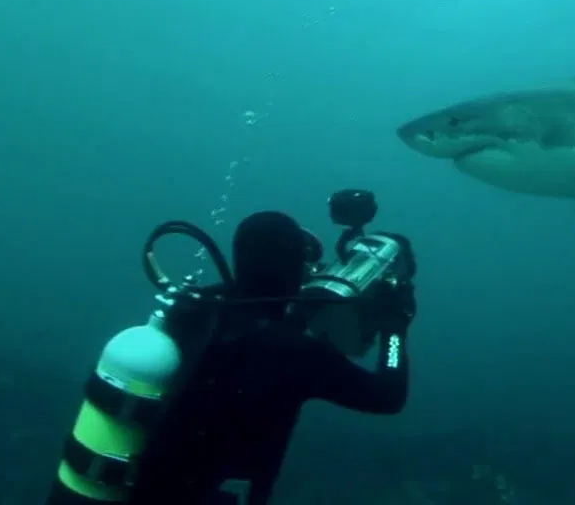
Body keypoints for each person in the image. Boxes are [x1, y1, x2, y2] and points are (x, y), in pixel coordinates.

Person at [126, 211, 416, 505]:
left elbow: (252, 332)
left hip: (143, 489)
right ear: (293, 269)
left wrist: (302, 309)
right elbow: (388, 396)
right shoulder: (301, 356)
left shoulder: (195, 312)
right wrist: (395, 326)